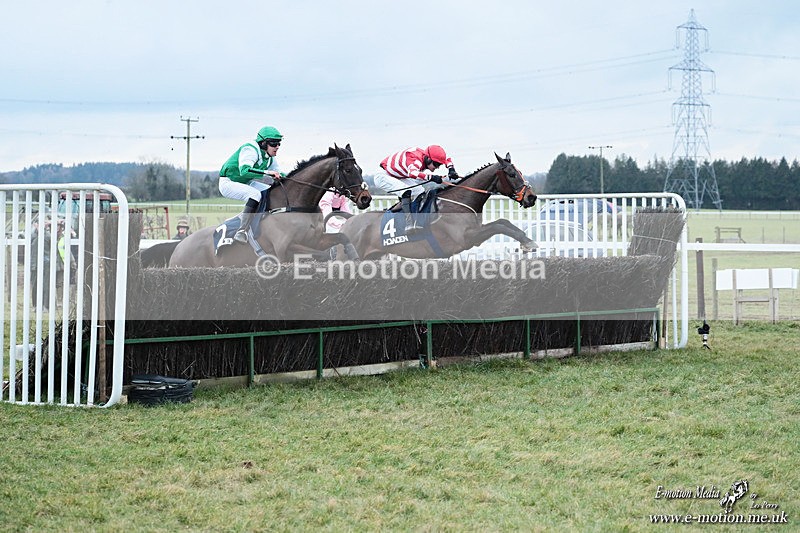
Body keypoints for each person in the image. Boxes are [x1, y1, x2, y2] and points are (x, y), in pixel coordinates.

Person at [219, 126, 285, 243]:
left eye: (279, 143)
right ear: (263, 143)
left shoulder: (270, 157)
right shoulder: (250, 149)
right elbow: (244, 170)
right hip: (228, 182)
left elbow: (279, 174)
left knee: (271, 191)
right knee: (255, 195)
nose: (277, 147)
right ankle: (242, 230)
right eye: (274, 143)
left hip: (246, 182)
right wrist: (268, 172)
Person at [373, 145, 458, 233]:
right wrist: (432, 177)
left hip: (398, 175)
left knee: (419, 191)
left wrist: (451, 169)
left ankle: (416, 219)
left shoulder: (426, 155)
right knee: (405, 191)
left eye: (439, 165)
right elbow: (412, 173)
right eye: (436, 164)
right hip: (383, 176)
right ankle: (408, 224)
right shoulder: (417, 160)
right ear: (428, 159)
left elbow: (447, 159)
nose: (437, 167)